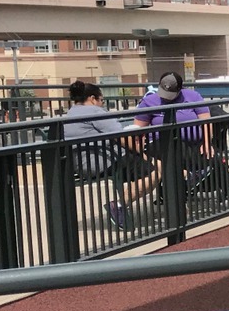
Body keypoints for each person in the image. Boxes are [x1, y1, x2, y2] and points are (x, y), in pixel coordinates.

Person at [62, 79, 161, 229]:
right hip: (102, 162)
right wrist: (142, 153)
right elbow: (122, 138)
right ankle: (119, 204)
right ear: (92, 99)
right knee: (156, 172)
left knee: (157, 165)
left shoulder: (70, 113)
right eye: (102, 100)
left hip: (83, 162)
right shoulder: (95, 112)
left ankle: (182, 183)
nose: (102, 103)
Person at [133, 70, 214, 184]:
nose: (166, 97)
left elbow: (206, 121)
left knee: (214, 158)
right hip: (160, 144)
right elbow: (137, 128)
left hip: (193, 144)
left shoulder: (193, 96)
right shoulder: (149, 101)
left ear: (180, 89)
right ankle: (194, 175)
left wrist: (207, 143)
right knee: (178, 148)